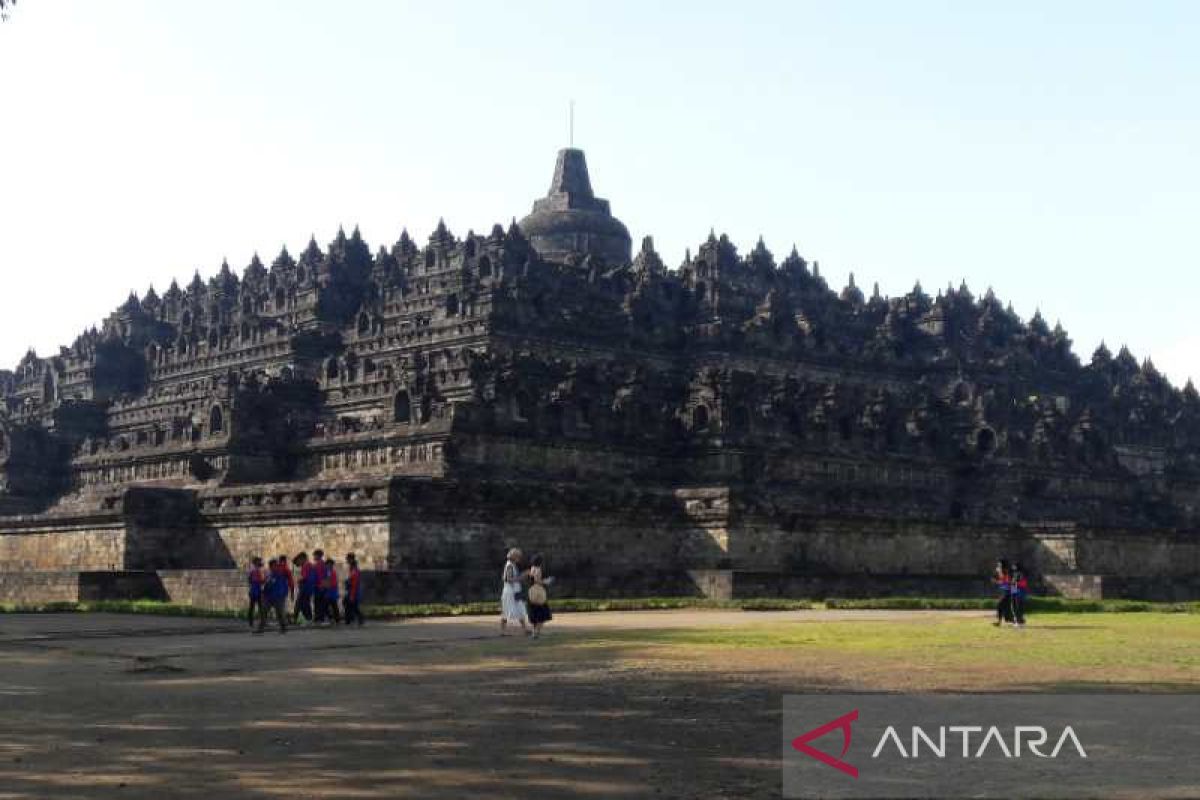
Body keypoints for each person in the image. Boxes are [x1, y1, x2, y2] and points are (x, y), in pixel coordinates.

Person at [499, 548, 530, 636]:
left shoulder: (511, 565)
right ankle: (503, 631)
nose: (519, 558)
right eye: (518, 556)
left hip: (515, 591)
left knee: (520, 609)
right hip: (510, 592)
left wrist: (521, 575)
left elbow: (505, 577)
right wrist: (522, 576)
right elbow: (508, 579)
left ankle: (525, 629)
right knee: (506, 611)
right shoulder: (509, 565)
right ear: (514, 557)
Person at [526, 553, 552, 639]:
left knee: (535, 613)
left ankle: (535, 632)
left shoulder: (531, 569)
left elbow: (532, 580)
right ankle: (536, 633)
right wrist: (546, 581)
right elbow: (537, 580)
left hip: (531, 591)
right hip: (538, 591)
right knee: (542, 614)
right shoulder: (538, 569)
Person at [262, 557, 289, 634]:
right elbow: (267, 585)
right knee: (264, 611)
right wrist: (264, 593)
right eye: (272, 566)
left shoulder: (280, 575)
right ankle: (261, 627)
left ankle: (283, 628)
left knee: (280, 613)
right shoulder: (270, 575)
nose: (274, 567)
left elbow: (284, 585)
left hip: (279, 596)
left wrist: (284, 594)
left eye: (275, 565)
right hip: (270, 597)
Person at [343, 552, 364, 627]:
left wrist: (352, 594)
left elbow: (354, 583)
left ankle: (351, 620)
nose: (347, 560)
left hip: (353, 591)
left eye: (348, 559)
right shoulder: (352, 568)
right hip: (351, 590)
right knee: (350, 605)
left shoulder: (354, 569)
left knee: (351, 605)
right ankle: (350, 620)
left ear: (351, 559)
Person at [293, 552, 314, 624]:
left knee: (301, 603)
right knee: (303, 603)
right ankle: (307, 618)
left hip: (306, 588)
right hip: (307, 588)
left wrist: (298, 580)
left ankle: (307, 618)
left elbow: (304, 577)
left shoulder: (306, 565)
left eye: (298, 561)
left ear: (302, 558)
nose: (297, 564)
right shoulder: (308, 565)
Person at [247, 556, 267, 632]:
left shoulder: (252, 571)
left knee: (253, 607)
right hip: (257, 591)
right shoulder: (256, 571)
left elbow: (250, 580)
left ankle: (252, 622)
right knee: (260, 608)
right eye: (259, 562)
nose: (260, 563)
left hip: (254, 591)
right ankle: (260, 622)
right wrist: (265, 579)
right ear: (256, 563)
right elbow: (260, 581)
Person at [992, 558, 1012, 627]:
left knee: (1000, 605)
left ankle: (1003, 621)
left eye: (999, 564)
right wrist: (996, 579)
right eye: (998, 564)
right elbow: (999, 580)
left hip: (1008, 591)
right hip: (1003, 591)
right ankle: (1001, 621)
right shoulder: (1000, 572)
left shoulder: (1008, 572)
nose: (998, 565)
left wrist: (999, 577)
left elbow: (1006, 581)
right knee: (1003, 606)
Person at [323, 555, 342, 625]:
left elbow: (332, 583)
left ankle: (333, 619)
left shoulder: (332, 572)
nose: (327, 566)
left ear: (331, 565)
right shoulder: (328, 572)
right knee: (333, 606)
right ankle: (336, 619)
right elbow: (326, 581)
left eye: (328, 564)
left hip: (332, 592)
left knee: (330, 606)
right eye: (327, 564)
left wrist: (326, 585)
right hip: (329, 592)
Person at [1009, 562, 1029, 628]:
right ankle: (1018, 621)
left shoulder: (1021, 573)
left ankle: (1019, 622)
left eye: (1014, 565)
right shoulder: (1014, 573)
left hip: (1020, 593)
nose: (1012, 567)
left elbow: (1023, 583)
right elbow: (1013, 583)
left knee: (1018, 607)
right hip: (1015, 592)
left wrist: (1015, 584)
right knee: (1014, 606)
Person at [311, 548, 328, 623]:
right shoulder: (321, 564)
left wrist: (321, 586)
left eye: (314, 555)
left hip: (319, 587)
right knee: (319, 603)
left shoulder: (320, 564)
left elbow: (321, 577)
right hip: (319, 586)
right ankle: (319, 618)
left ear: (318, 556)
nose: (314, 557)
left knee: (318, 603)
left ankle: (319, 618)